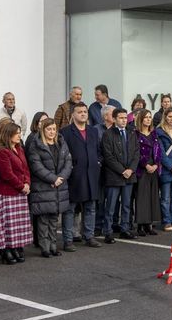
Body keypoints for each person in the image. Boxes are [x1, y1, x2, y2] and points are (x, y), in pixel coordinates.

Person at [26, 117, 72, 257]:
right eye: (49, 129)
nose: (52, 132)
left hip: (59, 187)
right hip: (43, 187)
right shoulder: (36, 145)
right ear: (43, 130)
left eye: (54, 129)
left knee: (53, 219)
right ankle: (45, 247)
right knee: (43, 220)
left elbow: (68, 163)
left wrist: (60, 179)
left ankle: (53, 246)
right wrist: (53, 179)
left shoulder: (61, 143)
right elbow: (36, 166)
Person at [61, 102, 102, 248]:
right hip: (74, 175)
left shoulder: (93, 131)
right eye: (80, 112)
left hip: (91, 174)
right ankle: (68, 239)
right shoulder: (65, 132)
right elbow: (63, 154)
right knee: (70, 209)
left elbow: (98, 150)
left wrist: (98, 162)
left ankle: (89, 236)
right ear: (73, 115)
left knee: (90, 207)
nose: (83, 114)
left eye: (85, 111)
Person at [0, 121, 32, 265]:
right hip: (8, 193)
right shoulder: (1, 151)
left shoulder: (19, 148)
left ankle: (16, 247)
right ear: (9, 134)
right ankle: (7, 249)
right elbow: (7, 174)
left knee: (18, 224)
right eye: (17, 133)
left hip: (21, 192)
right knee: (8, 224)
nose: (20, 135)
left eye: (20, 132)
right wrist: (21, 186)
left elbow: (26, 168)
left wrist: (27, 183)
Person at [100, 108, 137, 241]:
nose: (124, 120)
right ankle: (108, 231)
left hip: (129, 175)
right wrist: (122, 170)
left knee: (126, 205)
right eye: (121, 118)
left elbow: (136, 153)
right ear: (114, 119)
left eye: (125, 118)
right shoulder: (108, 134)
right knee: (111, 205)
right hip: (114, 175)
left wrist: (131, 169)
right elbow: (108, 156)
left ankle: (125, 229)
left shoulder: (131, 133)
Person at [132, 109, 162, 236]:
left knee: (152, 197)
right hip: (142, 169)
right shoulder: (136, 134)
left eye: (150, 117)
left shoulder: (154, 134)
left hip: (154, 168)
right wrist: (145, 165)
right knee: (142, 198)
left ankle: (149, 225)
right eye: (146, 117)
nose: (148, 119)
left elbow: (159, 150)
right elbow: (135, 152)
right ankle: (140, 226)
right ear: (141, 119)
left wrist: (156, 164)